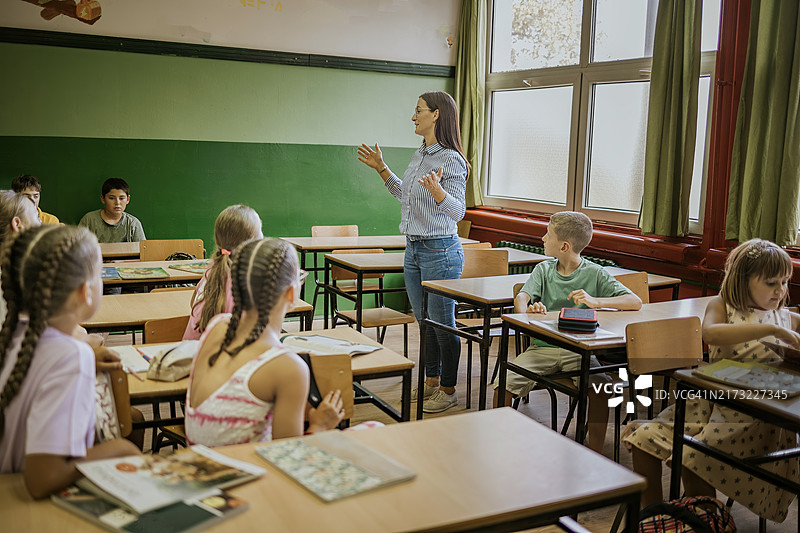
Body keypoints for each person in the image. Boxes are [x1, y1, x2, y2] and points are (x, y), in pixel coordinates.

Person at [623, 239, 800, 522]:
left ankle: (708, 523)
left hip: (754, 417)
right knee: (642, 438)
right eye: (771, 283)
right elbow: (712, 334)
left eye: (784, 282)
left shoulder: (785, 315)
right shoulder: (724, 305)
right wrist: (768, 328)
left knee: (693, 460)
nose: (780, 291)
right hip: (708, 404)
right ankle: (652, 519)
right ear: (743, 281)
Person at [0, 225, 139, 499]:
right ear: (85, 292)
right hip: (28, 511)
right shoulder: (71, 355)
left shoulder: (11, 337)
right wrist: (120, 450)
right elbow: (43, 479)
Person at [493, 211, 642, 453]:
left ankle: (594, 452)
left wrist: (596, 301)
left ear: (564, 246)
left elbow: (634, 301)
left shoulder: (595, 273)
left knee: (600, 388)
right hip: (543, 348)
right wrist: (526, 312)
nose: (542, 238)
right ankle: (501, 441)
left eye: (547, 234)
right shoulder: (544, 270)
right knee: (503, 385)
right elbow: (522, 296)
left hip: (580, 353)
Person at [357, 91, 468, 413]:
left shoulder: (451, 159)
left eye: (418, 111)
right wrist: (381, 168)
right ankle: (431, 382)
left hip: (441, 251)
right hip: (414, 250)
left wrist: (439, 193)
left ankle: (449, 390)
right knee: (425, 322)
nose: (413, 116)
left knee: (443, 324)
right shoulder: (420, 154)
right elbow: (404, 195)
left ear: (436, 115)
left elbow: (458, 212)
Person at [185, 238, 345, 447]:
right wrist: (319, 427)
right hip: (246, 475)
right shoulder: (289, 368)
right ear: (291, 292)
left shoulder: (218, 325)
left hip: (200, 465)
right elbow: (288, 458)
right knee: (370, 429)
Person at [183, 205, 263, 340]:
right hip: (218, 355)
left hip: (194, 352)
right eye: (260, 230)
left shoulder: (213, 269)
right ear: (252, 242)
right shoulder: (246, 283)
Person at [78, 178, 145, 243]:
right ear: (103, 199)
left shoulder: (133, 224)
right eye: (112, 198)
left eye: (121, 198)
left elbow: (144, 252)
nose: (117, 202)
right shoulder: (89, 220)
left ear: (127, 199)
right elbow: (77, 249)